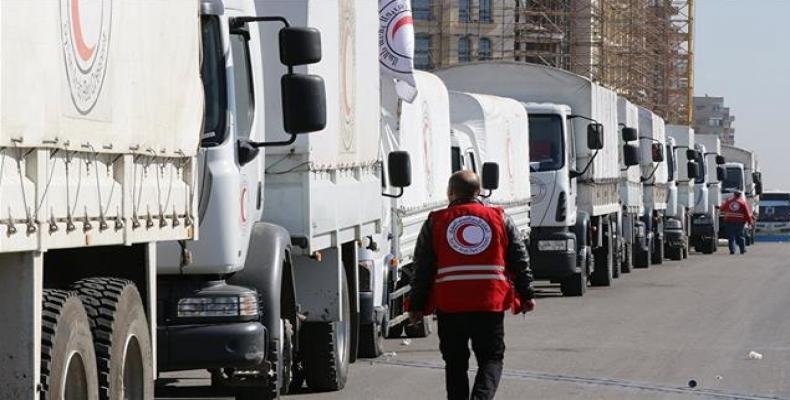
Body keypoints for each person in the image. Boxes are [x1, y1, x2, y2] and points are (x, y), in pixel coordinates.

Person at [409, 170, 535, 400]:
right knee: (491, 358)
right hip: (489, 302)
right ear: (479, 192)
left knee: (455, 362)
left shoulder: (436, 221)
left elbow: (422, 267)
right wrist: (527, 294)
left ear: (450, 193)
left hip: (450, 305)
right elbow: (519, 257)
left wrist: (416, 305)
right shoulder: (499, 217)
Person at [720, 190, 754, 255]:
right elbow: (747, 213)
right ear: (740, 195)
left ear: (734, 195)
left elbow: (722, 208)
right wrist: (750, 222)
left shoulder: (729, 201)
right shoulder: (743, 202)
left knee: (731, 237)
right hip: (740, 222)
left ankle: (732, 250)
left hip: (729, 221)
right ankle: (742, 250)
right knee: (740, 236)